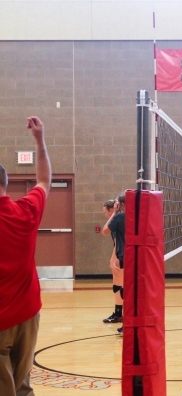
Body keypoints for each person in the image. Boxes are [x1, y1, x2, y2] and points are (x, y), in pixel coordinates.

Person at [0, 116, 51, 396]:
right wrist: (40, 140)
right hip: (29, 315)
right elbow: (44, 180)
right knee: (22, 385)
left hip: (2, 319)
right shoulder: (26, 211)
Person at [103, 194, 126, 334]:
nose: (105, 214)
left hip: (124, 257)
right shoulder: (130, 217)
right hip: (127, 256)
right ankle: (119, 314)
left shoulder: (118, 218)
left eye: (106, 211)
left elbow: (107, 232)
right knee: (120, 286)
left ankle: (122, 317)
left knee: (122, 288)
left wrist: (114, 258)